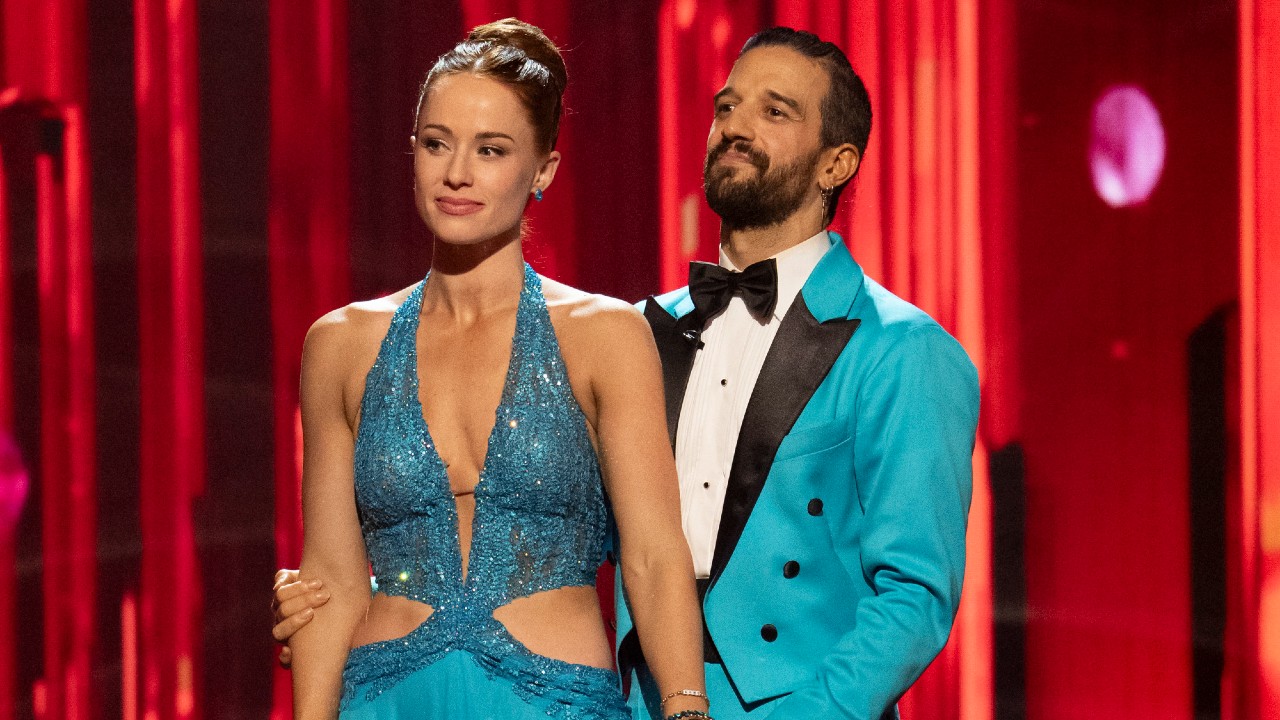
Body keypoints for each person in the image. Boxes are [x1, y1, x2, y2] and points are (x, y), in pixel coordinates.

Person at [277, 25, 979, 720]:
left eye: (775, 111)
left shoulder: (902, 349)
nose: (736, 126)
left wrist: (816, 712)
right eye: (726, 105)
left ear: (837, 164)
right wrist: (351, 594)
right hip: (629, 696)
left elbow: (916, 591)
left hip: (799, 701)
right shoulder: (646, 328)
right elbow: (529, 515)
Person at [286, 18, 707, 720]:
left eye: (491, 149)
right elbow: (330, 579)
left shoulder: (605, 336)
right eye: (436, 143)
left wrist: (685, 705)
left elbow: (656, 558)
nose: (457, 172)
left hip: (555, 702)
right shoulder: (341, 343)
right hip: (385, 699)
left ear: (543, 170)